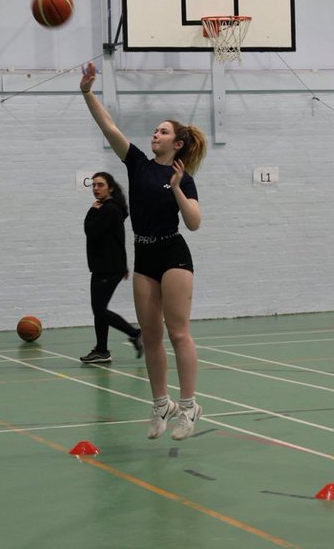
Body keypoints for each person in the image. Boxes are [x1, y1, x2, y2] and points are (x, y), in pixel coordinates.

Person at [79, 62, 207, 440]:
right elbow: (109, 127)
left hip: (174, 254)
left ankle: (188, 407)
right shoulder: (137, 164)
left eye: (163, 131)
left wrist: (179, 188)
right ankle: (160, 404)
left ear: (177, 143)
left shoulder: (185, 179)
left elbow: (195, 223)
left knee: (178, 333)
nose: (155, 134)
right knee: (150, 337)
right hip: (144, 255)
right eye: (155, 131)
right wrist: (87, 91)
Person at [79, 172, 143, 365]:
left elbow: (91, 231)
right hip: (104, 266)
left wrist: (92, 211)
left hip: (108, 267)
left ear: (110, 188)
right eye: (94, 185)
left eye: (100, 185)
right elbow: (115, 239)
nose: (96, 188)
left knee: (99, 309)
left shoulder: (109, 210)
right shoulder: (109, 209)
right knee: (99, 309)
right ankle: (101, 350)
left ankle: (136, 334)